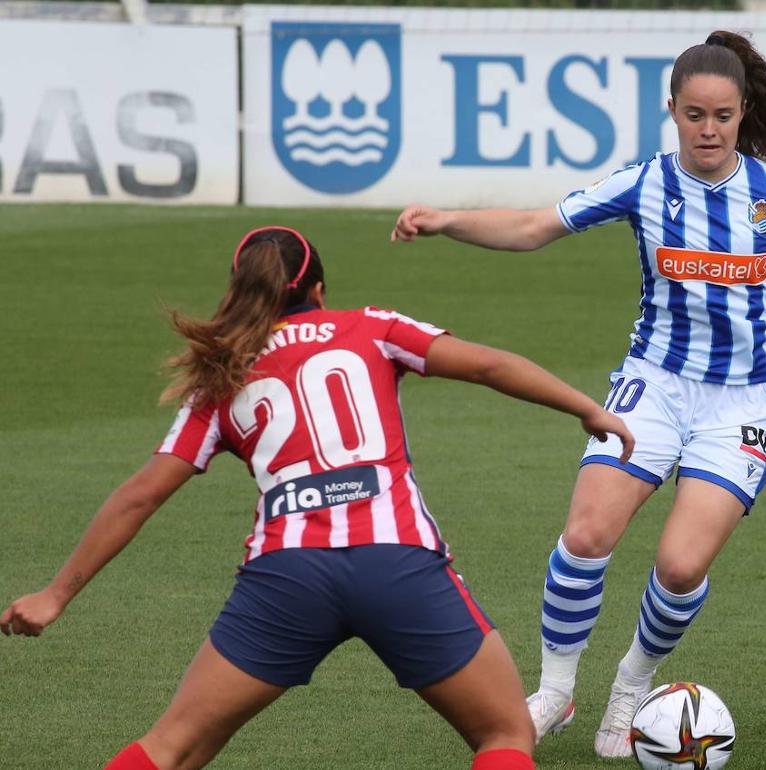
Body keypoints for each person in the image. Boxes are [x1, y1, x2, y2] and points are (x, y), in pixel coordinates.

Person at [391, 31, 766, 759]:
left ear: (743, 113)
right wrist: (445, 220)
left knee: (681, 566)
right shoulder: (643, 183)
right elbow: (535, 227)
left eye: (721, 115)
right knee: (588, 533)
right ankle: (555, 692)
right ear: (673, 112)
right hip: (652, 383)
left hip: (743, 403)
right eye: (694, 115)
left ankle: (632, 686)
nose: (708, 129)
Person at [0, 226, 636, 770]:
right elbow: (488, 365)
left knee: (173, 749)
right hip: (398, 562)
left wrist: (56, 595)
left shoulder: (223, 377)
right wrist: (586, 409)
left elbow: (140, 494)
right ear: (320, 291)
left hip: (287, 577)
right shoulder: (373, 329)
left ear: (240, 294)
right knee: (504, 734)